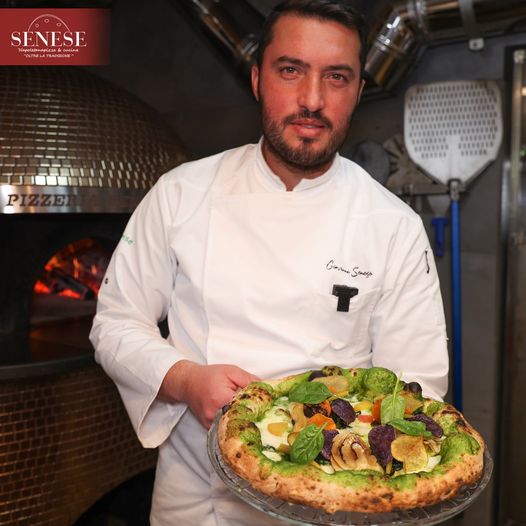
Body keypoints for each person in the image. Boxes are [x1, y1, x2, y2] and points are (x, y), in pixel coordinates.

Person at [90, 1, 449, 524]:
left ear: (357, 92)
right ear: (258, 78)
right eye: (291, 70)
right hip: (198, 498)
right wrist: (185, 379)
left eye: (336, 77)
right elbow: (115, 322)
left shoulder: (393, 226)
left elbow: (414, 389)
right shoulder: (181, 193)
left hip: (332, 502)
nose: (312, 100)